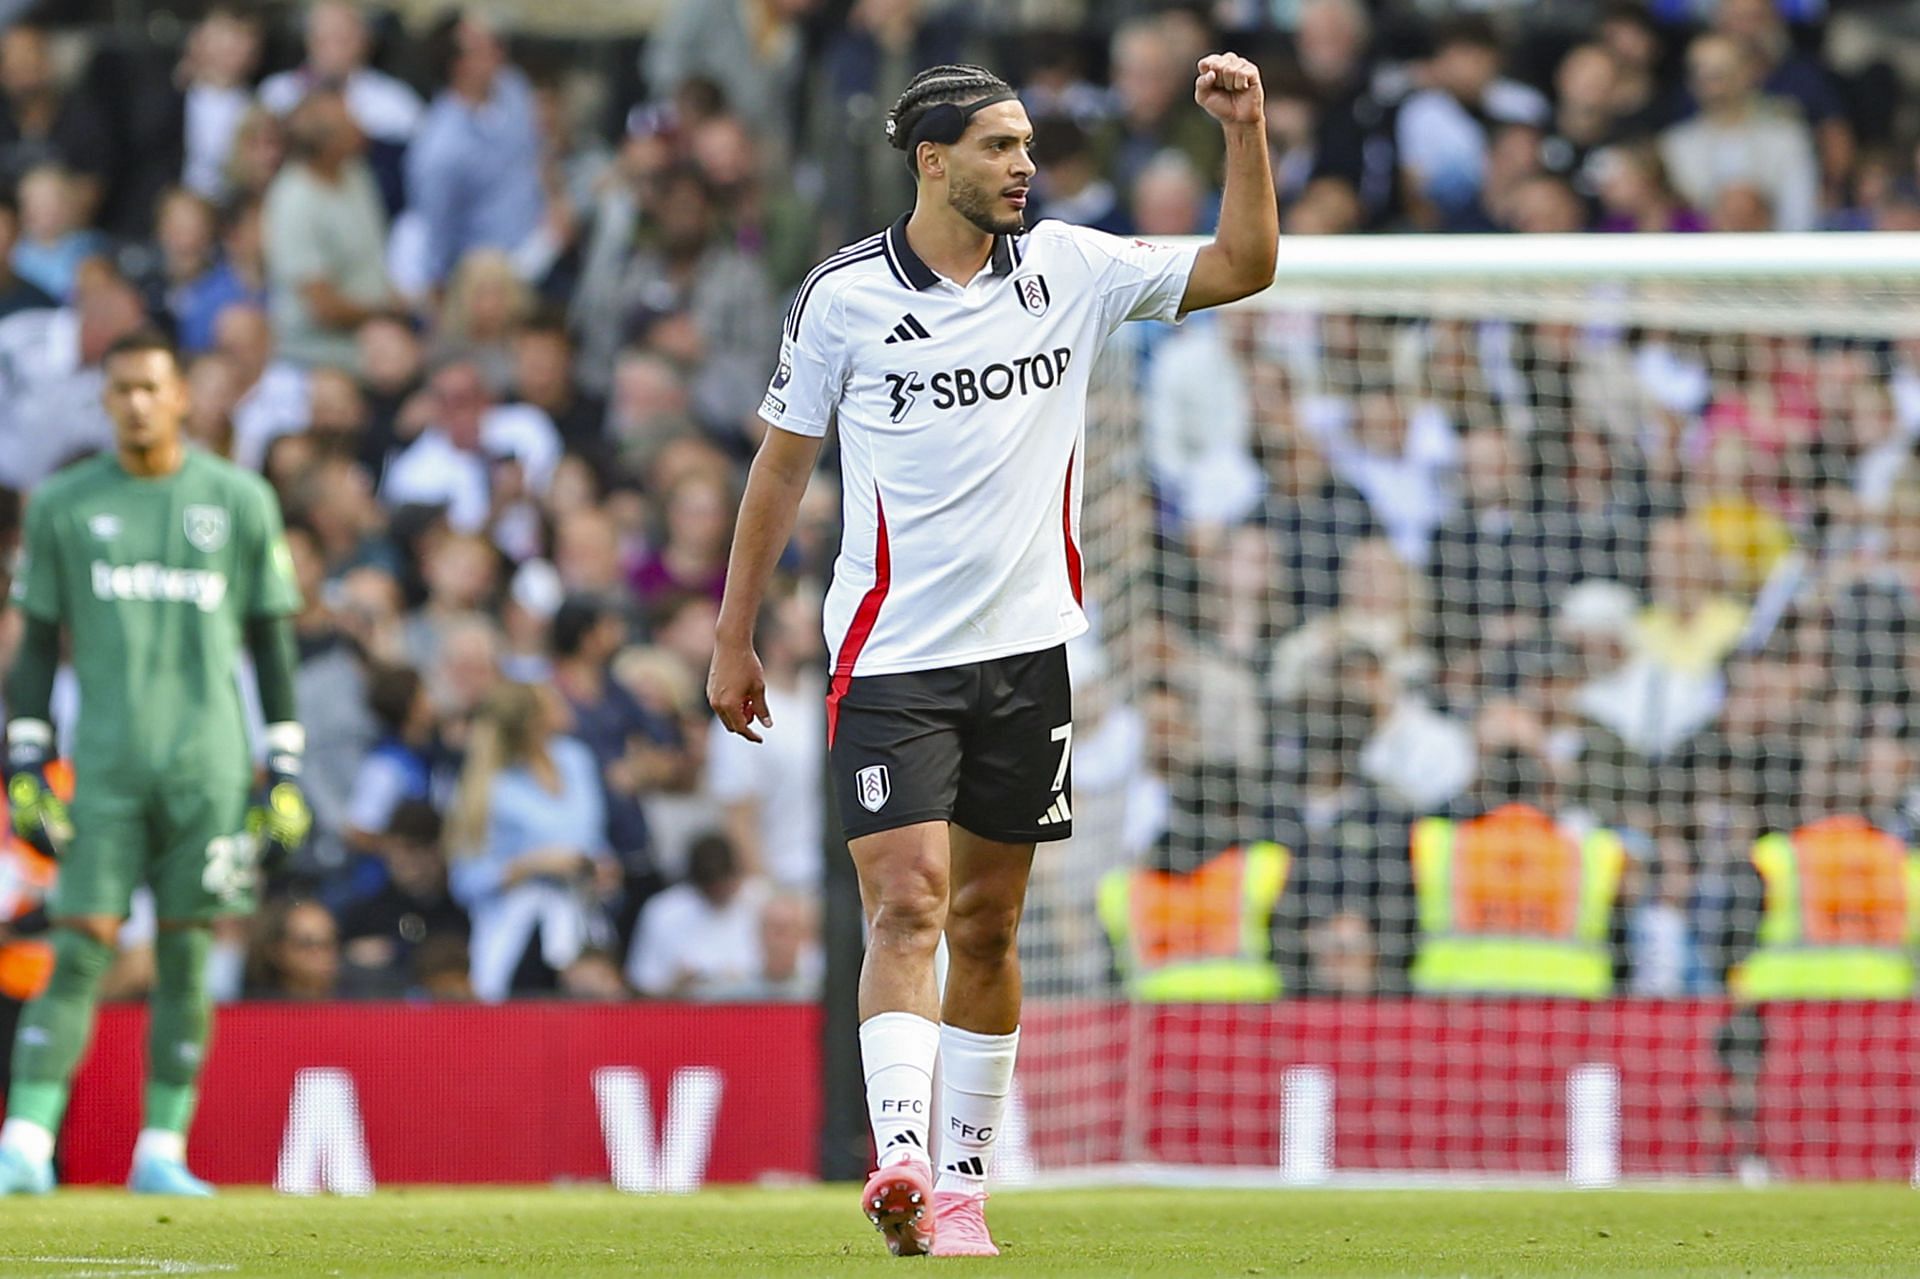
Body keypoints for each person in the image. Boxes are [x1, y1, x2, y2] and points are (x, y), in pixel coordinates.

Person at [705, 56, 1276, 1256]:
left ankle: (962, 1190)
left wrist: (1245, 133)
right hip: (891, 657)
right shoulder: (843, 297)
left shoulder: (1072, 269)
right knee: (903, 904)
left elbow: (1244, 265)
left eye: (1029, 147)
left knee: (988, 926)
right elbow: (780, 468)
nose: (1027, 166)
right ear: (932, 159)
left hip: (1030, 657)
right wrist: (733, 632)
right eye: (1001, 147)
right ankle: (901, 1155)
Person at [0, 328, 311, 1195]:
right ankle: (23, 1143)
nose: (136, 402)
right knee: (80, 946)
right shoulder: (62, 503)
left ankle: (162, 1150)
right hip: (101, 765)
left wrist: (283, 762)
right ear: (104, 401)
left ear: (182, 398)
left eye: (151, 387)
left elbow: (271, 638)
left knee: (185, 952)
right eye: (122, 388)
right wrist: (26, 754)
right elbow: (32, 645)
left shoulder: (241, 499)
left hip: (208, 768)